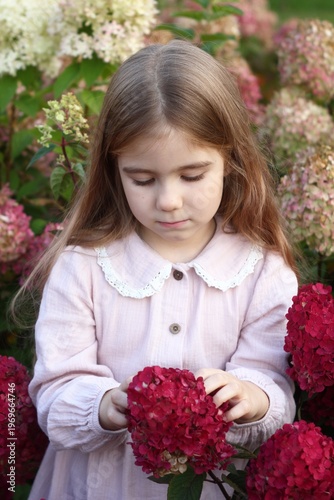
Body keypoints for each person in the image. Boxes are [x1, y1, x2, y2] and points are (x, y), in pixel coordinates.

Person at [21, 40, 298, 499]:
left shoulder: (261, 273)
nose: (168, 200)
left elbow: (274, 389)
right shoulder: (84, 267)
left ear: (229, 160)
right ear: (114, 171)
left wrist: (252, 398)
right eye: (143, 179)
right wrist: (107, 405)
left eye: (192, 175)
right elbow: (54, 392)